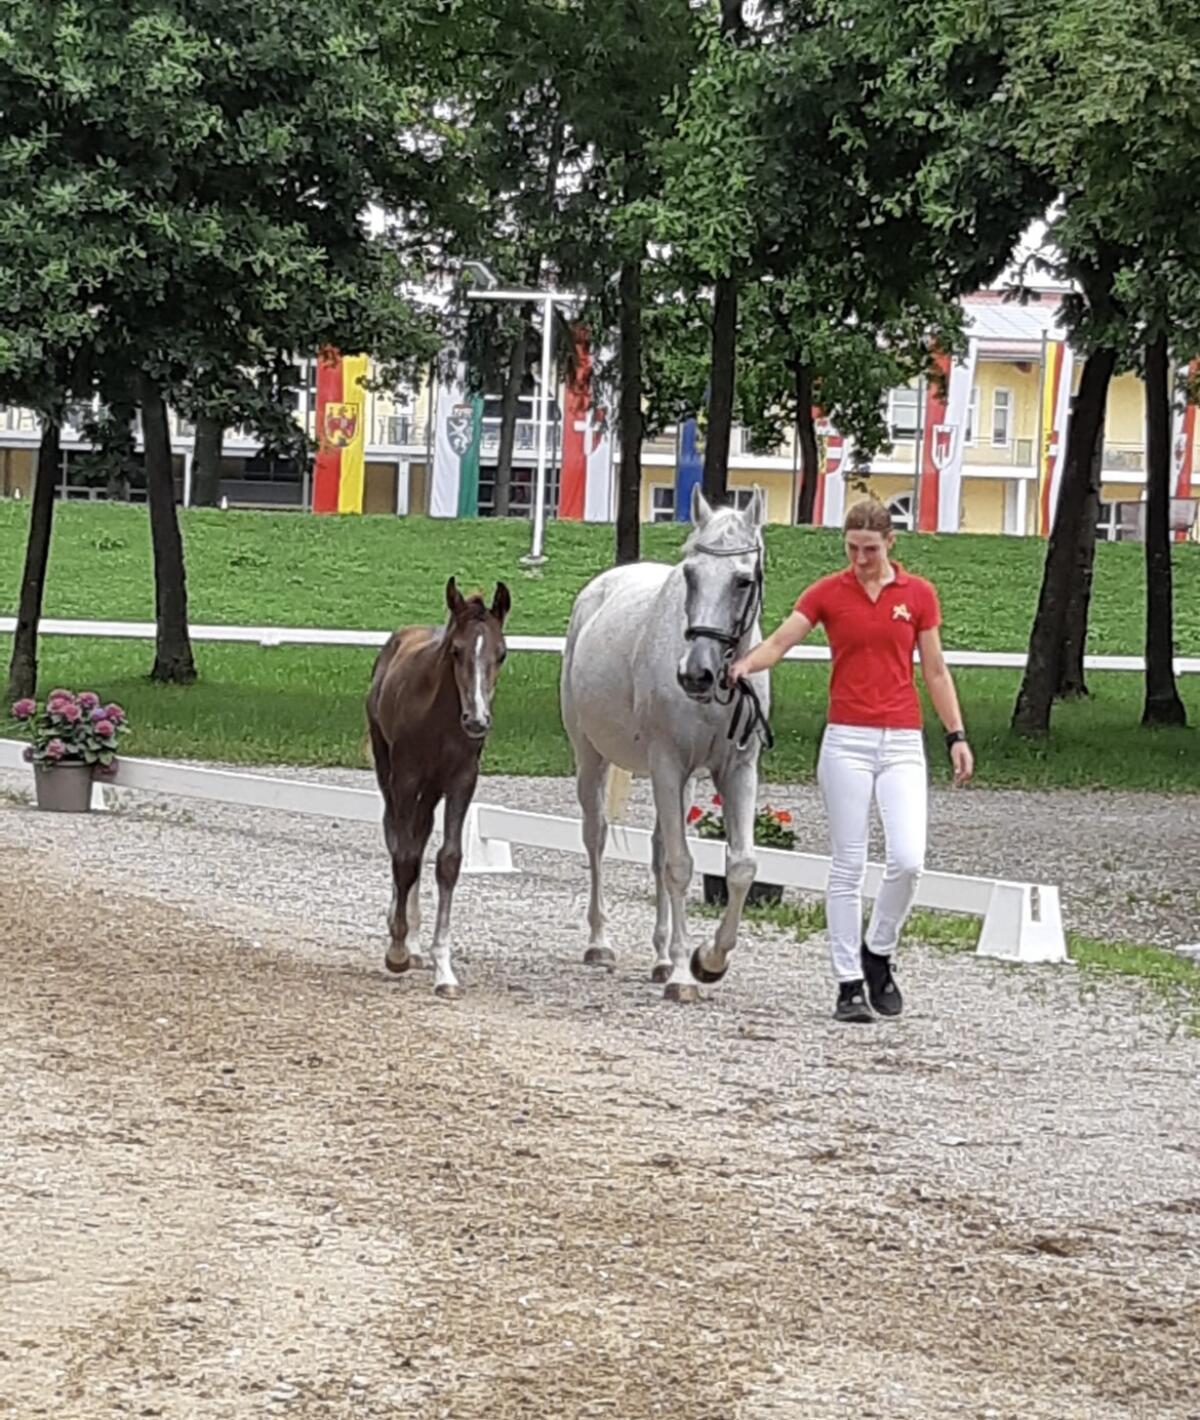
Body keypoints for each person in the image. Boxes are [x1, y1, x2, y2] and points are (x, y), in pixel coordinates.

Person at [729, 497, 974, 1023]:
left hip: (902, 740)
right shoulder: (828, 593)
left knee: (908, 860)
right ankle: (847, 981)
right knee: (848, 862)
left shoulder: (918, 596)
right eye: (852, 548)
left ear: (890, 543)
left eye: (869, 549)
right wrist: (746, 664)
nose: (860, 559)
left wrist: (955, 733)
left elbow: (934, 671)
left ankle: (878, 950)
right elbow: (781, 640)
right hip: (847, 739)